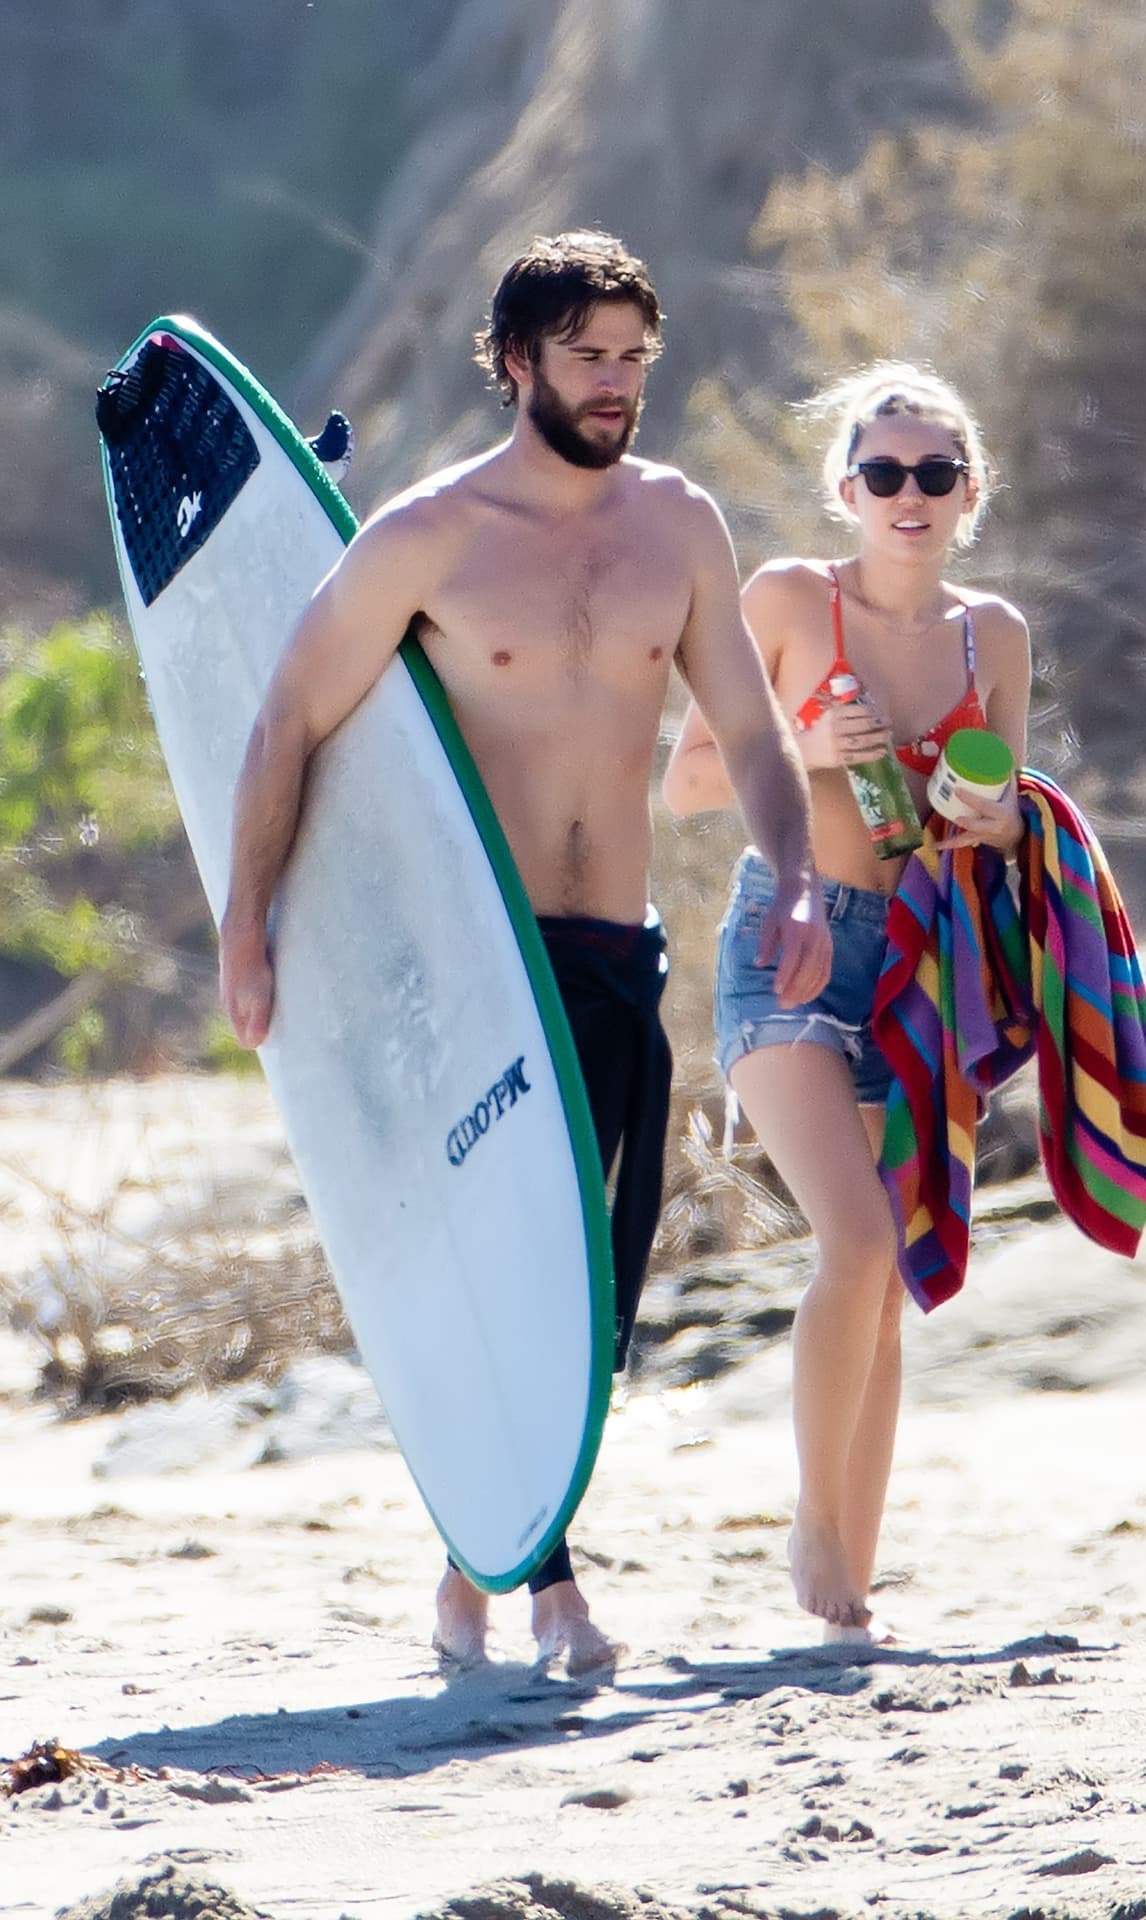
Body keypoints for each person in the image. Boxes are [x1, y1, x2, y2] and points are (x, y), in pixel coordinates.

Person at [218, 231, 831, 1674]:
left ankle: (473, 1568)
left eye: (633, 359)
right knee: (517, 1262)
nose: (616, 386)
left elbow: (750, 730)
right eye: (586, 358)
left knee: (601, 1291)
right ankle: (551, 1589)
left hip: (621, 953)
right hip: (477, 966)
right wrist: (251, 924)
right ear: (513, 362)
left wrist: (794, 879)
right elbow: (285, 722)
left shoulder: (678, 529)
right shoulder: (427, 538)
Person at [663, 362, 1030, 1640]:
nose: (908, 494)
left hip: (914, 969)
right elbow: (688, 786)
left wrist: (992, 816)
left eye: (934, 472)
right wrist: (809, 749)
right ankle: (813, 1528)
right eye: (883, 473)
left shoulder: (994, 638)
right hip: (788, 939)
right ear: (846, 490)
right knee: (859, 1241)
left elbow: (996, 828)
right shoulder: (784, 600)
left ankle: (847, 1595)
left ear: (967, 491)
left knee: (887, 1284)